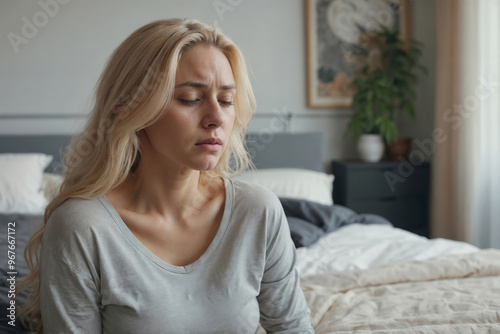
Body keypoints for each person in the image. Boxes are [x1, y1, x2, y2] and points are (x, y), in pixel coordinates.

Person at [19, 18, 314, 333]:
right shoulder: (82, 228)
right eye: (190, 98)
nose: (217, 117)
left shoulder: (258, 211)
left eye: (226, 100)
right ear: (131, 108)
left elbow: (292, 328)